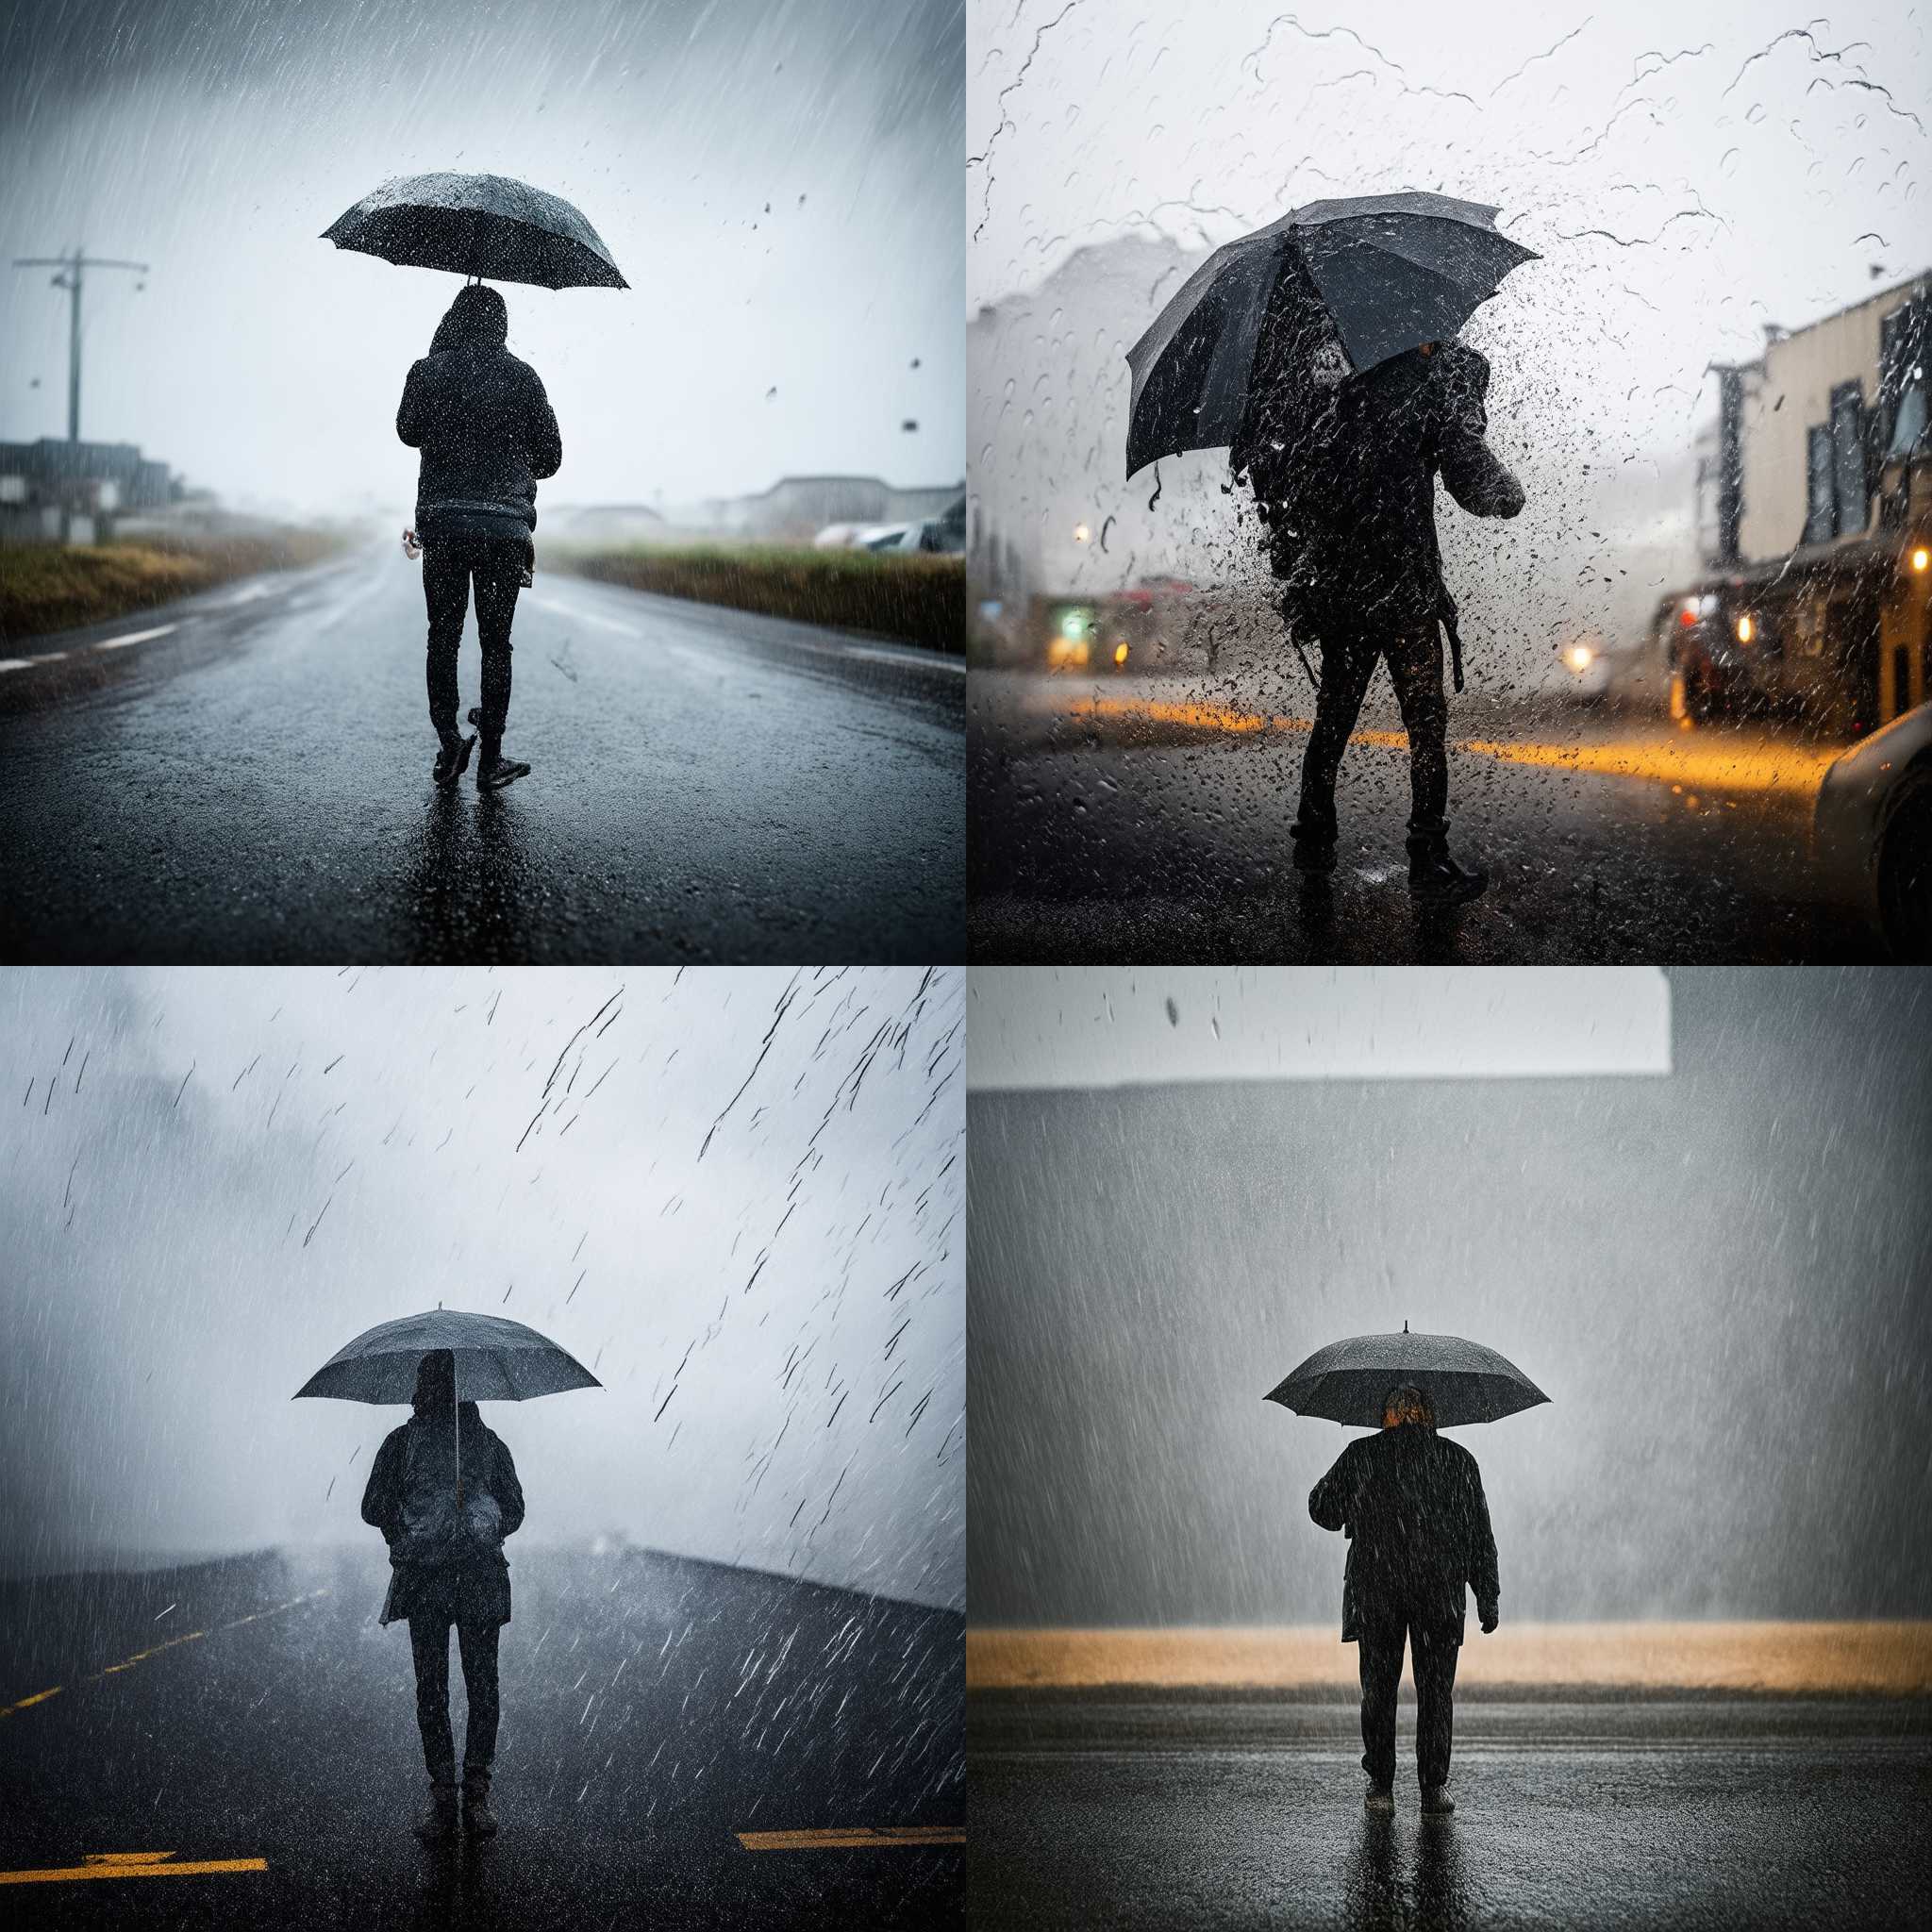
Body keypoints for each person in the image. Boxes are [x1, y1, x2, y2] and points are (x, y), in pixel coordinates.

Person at [1233, 256, 1524, 903]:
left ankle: (1313, 843)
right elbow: (1471, 476)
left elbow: (1293, 484)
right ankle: (1428, 857)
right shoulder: (1429, 379)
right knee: (1425, 722)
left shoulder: (1326, 384)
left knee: (1334, 715)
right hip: (1403, 586)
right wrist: (1510, 494)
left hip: (1340, 587)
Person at [397, 283, 562, 792]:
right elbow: (552, 457)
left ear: (453, 319)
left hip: (444, 525)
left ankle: (450, 742)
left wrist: (437, 355)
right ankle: (490, 761)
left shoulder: (429, 370)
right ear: (503, 325)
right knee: (496, 643)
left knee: (442, 636)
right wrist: (509, 464)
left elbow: (407, 430)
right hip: (502, 530)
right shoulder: (523, 379)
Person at [1307, 1384, 1499, 1816]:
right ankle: (1433, 1789)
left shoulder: (1361, 1455)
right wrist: (1488, 1596)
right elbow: (1479, 1540)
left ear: (1386, 1415)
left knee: (1378, 1692)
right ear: (1432, 1415)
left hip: (1378, 1593)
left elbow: (1321, 1508)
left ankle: (1381, 1787)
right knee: (1435, 1694)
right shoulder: (1457, 1460)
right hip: (1439, 1597)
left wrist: (1352, 1500)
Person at [360, 1349, 525, 1841]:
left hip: (459, 1579)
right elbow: (374, 1508)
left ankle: (462, 1798)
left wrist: (482, 1515)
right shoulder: (415, 1444)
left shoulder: (479, 1445)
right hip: (445, 1580)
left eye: (431, 1380)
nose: (427, 1389)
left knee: (458, 1688)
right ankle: (459, 1799)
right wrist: (408, 1535)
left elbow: (514, 1509)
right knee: (463, 1688)